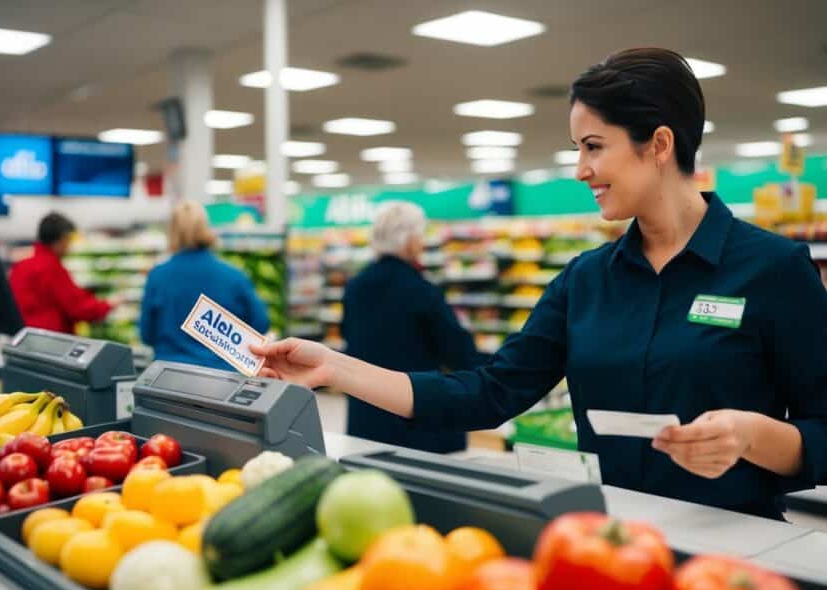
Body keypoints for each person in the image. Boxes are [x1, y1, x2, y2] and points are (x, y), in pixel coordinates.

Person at [253, 48, 827, 520]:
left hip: (736, 552)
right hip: (604, 542)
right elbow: (488, 393)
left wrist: (754, 436)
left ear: (658, 144)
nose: (580, 171)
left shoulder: (772, 269)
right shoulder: (585, 282)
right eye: (578, 149)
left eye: (593, 147)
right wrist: (336, 368)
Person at [342, 202, 481, 453]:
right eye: (420, 236)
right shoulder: (420, 290)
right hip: (412, 414)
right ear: (409, 241)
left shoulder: (355, 286)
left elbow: (347, 335)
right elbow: (458, 352)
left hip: (366, 413)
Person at [140, 200, 269, 370]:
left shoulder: (157, 276)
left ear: (171, 232)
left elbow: (147, 334)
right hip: (222, 377)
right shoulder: (233, 276)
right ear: (206, 228)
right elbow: (261, 323)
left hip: (169, 376)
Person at [9, 212, 115, 334]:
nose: (69, 245)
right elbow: (78, 308)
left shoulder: (20, 266)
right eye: (69, 240)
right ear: (62, 238)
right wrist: (108, 305)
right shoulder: (51, 268)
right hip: (51, 341)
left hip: (25, 337)